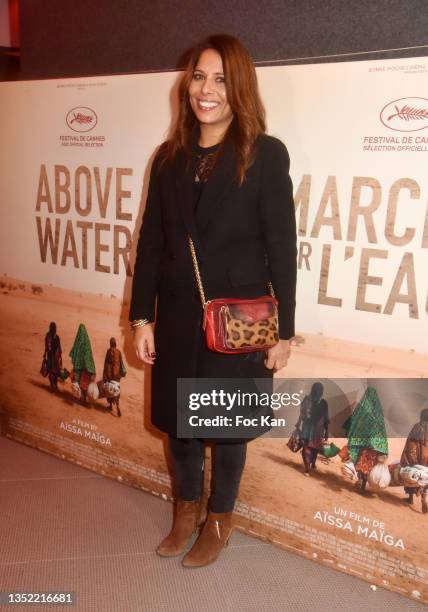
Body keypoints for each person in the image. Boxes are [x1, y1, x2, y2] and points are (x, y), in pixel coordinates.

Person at [129, 34, 297, 567]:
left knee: (226, 432)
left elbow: (282, 248)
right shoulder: (169, 157)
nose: (207, 90)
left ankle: (220, 519)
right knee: (181, 426)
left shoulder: (264, 154)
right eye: (199, 76)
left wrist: (285, 332)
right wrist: (141, 317)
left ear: (239, 87)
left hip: (238, 324)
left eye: (221, 79)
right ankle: (186, 511)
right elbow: (151, 242)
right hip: (178, 319)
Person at [295, 382, 329, 476]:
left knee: (306, 446)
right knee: (314, 448)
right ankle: (310, 464)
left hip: (307, 427)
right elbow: (326, 418)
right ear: (322, 391)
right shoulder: (323, 402)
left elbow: (302, 413)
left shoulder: (307, 399)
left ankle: (307, 467)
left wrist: (298, 423)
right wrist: (327, 432)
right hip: (318, 430)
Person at [400, 407, 428, 513]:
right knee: (425, 477)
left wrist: (408, 457)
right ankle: (423, 498)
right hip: (426, 459)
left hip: (415, 457)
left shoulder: (417, 427)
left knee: (410, 473)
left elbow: (410, 443)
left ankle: (410, 498)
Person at [69, 323, 96, 405]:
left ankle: (82, 397)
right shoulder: (87, 342)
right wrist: (90, 367)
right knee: (85, 383)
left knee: (78, 381)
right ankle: (84, 398)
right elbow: (89, 355)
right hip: (86, 368)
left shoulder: (77, 342)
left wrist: (76, 363)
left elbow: (74, 352)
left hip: (79, 367)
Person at [102, 337, 126, 417]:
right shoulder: (118, 352)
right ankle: (118, 406)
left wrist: (105, 375)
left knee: (109, 389)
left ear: (110, 343)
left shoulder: (109, 351)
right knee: (116, 389)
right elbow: (121, 363)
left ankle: (111, 406)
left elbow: (106, 364)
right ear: (115, 344)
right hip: (117, 376)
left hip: (110, 375)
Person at [43, 321, 62, 391]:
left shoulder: (48, 336)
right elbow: (59, 349)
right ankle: (55, 385)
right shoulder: (57, 337)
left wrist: (45, 354)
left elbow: (47, 347)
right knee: (56, 372)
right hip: (56, 357)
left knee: (50, 371)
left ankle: (52, 385)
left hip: (51, 357)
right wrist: (60, 357)